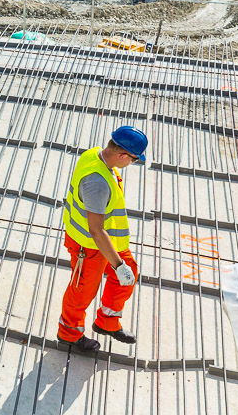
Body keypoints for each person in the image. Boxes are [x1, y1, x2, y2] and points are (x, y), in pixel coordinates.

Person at [58, 126, 149, 353]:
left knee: (128, 275)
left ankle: (106, 323)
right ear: (122, 155)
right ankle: (69, 334)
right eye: (134, 160)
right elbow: (96, 230)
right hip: (87, 247)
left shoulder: (94, 154)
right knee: (81, 292)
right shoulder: (97, 183)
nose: (132, 164)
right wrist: (117, 265)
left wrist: (122, 267)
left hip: (108, 243)